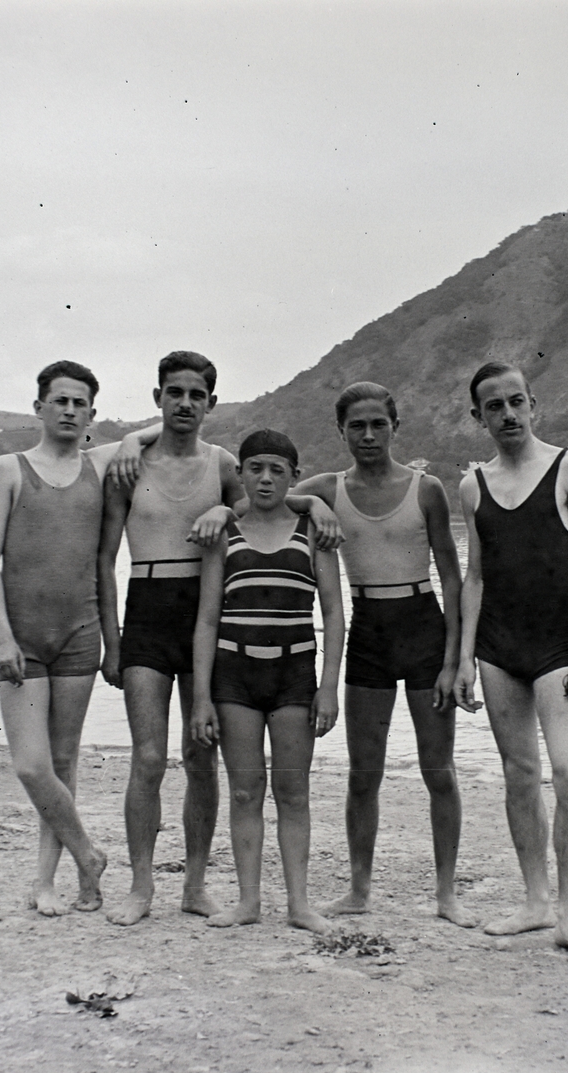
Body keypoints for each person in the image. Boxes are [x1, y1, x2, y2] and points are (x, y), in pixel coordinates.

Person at [98, 352, 342, 927]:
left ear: (210, 401)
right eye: (174, 393)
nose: (185, 402)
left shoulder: (224, 462)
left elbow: (266, 502)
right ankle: (139, 888)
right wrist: (112, 639)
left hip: (210, 611)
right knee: (150, 757)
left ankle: (196, 884)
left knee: (201, 756)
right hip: (149, 607)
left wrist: (313, 501)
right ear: (158, 396)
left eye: (196, 394)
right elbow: (104, 559)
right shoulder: (127, 463)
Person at [276, 382, 474, 926]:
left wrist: (458, 659)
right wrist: (313, 501)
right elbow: (258, 497)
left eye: (377, 424)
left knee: (440, 770)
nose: (367, 435)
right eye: (356, 426)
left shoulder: (426, 488)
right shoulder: (328, 489)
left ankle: (446, 893)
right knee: (365, 773)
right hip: (368, 633)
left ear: (395, 426)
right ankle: (359, 889)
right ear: (341, 431)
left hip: (423, 627)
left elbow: (453, 579)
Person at [453, 362, 568, 961]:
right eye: (494, 407)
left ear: (533, 404)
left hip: (556, 645)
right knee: (519, 774)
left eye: (517, 402)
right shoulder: (473, 485)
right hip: (497, 649)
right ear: (478, 417)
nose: (508, 415)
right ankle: (535, 902)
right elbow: (475, 576)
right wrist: (466, 656)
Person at [188, 430, 344, 932]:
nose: (266, 478)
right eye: (255, 468)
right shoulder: (225, 536)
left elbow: (336, 616)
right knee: (244, 792)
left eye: (278, 469)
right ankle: (249, 902)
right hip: (235, 677)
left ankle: (299, 905)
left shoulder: (313, 532)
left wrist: (328, 687)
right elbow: (208, 620)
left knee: (293, 792)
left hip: (294, 675)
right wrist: (201, 699)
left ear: (295, 476)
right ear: (241, 474)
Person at [0, 360, 108, 917]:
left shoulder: (100, 464)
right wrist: (2, 637)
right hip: (22, 639)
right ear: (39, 408)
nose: (70, 410)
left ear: (93, 414)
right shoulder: (9, 468)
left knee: (63, 762)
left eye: (80, 403)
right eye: (60, 401)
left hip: (80, 634)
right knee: (32, 766)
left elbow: (161, 435)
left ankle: (47, 882)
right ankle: (88, 854)